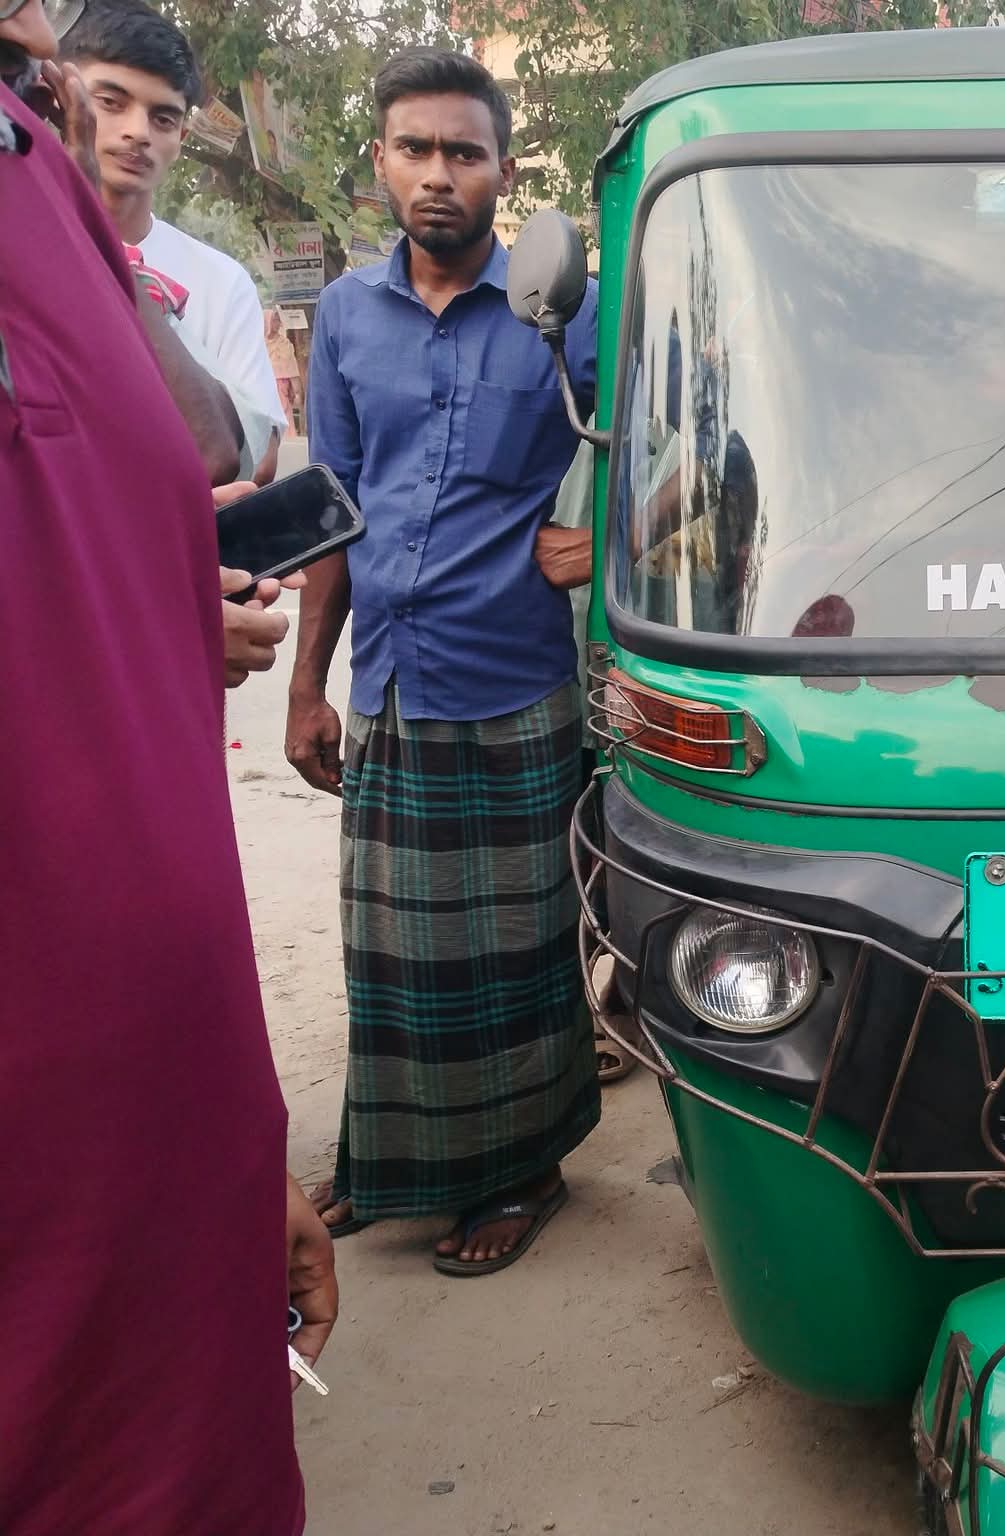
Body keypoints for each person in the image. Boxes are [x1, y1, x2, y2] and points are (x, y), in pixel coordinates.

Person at [1, 0, 334, 1528]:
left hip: (156, 1158)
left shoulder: (41, 184)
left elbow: (187, 464)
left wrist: (235, 1157)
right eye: (102, 95)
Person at [290, 47, 601, 1274]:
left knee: (515, 951)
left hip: (517, 678)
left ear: (501, 171)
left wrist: (610, 541)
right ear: (380, 161)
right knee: (392, 954)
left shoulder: (564, 315)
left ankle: (523, 1175)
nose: (436, 175)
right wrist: (310, 686)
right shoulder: (349, 320)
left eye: (463, 154)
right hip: (393, 683)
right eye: (414, 149)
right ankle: (393, 1162)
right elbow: (331, 508)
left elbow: (675, 445)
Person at [61, 0, 282, 479]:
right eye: (111, 102)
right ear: (58, 94)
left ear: (182, 134)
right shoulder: (20, 247)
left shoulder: (221, 281)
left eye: (162, 118)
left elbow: (255, 460)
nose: (137, 132)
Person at [267, 305, 301, 434]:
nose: (278, 324)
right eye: (274, 320)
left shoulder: (284, 343)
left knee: (284, 418)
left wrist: (297, 393)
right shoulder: (258, 344)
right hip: (264, 390)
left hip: (282, 389)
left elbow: (291, 368)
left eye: (278, 320)